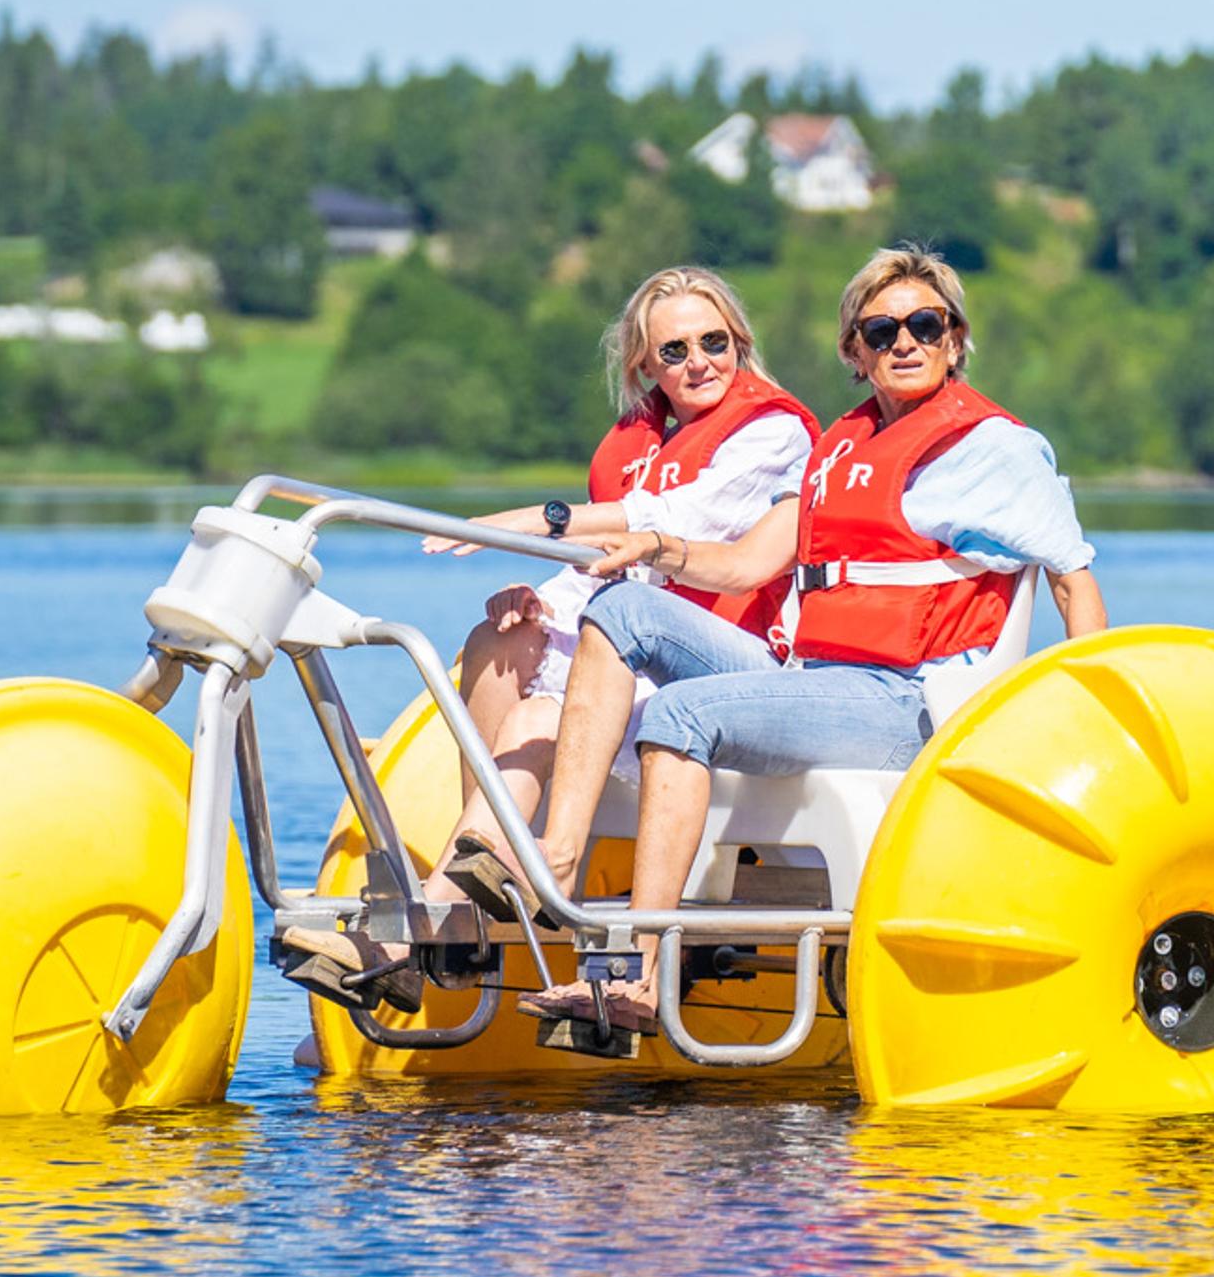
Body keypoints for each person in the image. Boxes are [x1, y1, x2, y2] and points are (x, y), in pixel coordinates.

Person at [515, 245, 1110, 1034]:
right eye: (882, 329)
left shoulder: (992, 448)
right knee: (622, 609)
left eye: (925, 325)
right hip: (816, 674)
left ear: (955, 339)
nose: (906, 341)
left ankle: (638, 975)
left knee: (681, 715)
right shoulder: (842, 446)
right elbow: (749, 562)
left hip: (908, 698)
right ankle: (555, 858)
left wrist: (1083, 722)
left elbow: (1072, 578)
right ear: (853, 353)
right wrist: (654, 547)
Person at [271, 265, 811, 1006]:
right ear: (645, 366)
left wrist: (544, 519)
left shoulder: (773, 432)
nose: (698, 363)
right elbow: (602, 573)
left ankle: (439, 913)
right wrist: (540, 603)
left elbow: (682, 523)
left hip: (714, 665)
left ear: (740, 343)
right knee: (498, 640)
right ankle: (467, 897)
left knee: (536, 712)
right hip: (632, 653)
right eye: (675, 351)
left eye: (713, 341)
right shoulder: (643, 439)